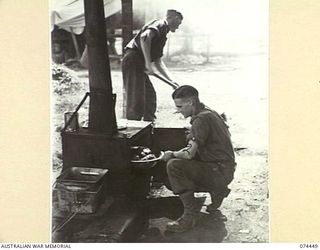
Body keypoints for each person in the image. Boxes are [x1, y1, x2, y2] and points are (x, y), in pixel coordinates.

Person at [161, 85, 236, 233]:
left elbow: (189, 154)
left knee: (173, 166)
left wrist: (171, 154)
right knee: (184, 154)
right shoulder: (209, 112)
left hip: (219, 172)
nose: (178, 110)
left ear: (190, 102)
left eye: (180, 106)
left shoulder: (200, 120)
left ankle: (189, 217)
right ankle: (217, 192)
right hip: (225, 167)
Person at [122, 9, 183, 121]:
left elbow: (158, 61)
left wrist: (172, 81)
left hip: (138, 62)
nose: (178, 26)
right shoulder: (160, 24)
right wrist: (147, 63)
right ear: (173, 18)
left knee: (149, 96)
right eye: (178, 22)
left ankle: (149, 124)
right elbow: (144, 38)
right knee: (136, 99)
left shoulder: (163, 33)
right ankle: (133, 127)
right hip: (133, 60)